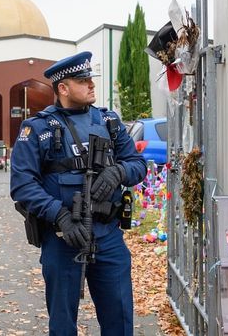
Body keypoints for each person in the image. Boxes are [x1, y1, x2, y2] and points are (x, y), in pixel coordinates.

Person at [10, 51, 147, 335]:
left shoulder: (109, 121)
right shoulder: (37, 128)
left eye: (90, 79)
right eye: (83, 80)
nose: (91, 84)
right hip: (63, 239)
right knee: (62, 325)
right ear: (63, 88)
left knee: (120, 320)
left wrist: (117, 172)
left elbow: (137, 164)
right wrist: (60, 216)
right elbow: (23, 185)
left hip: (108, 236)